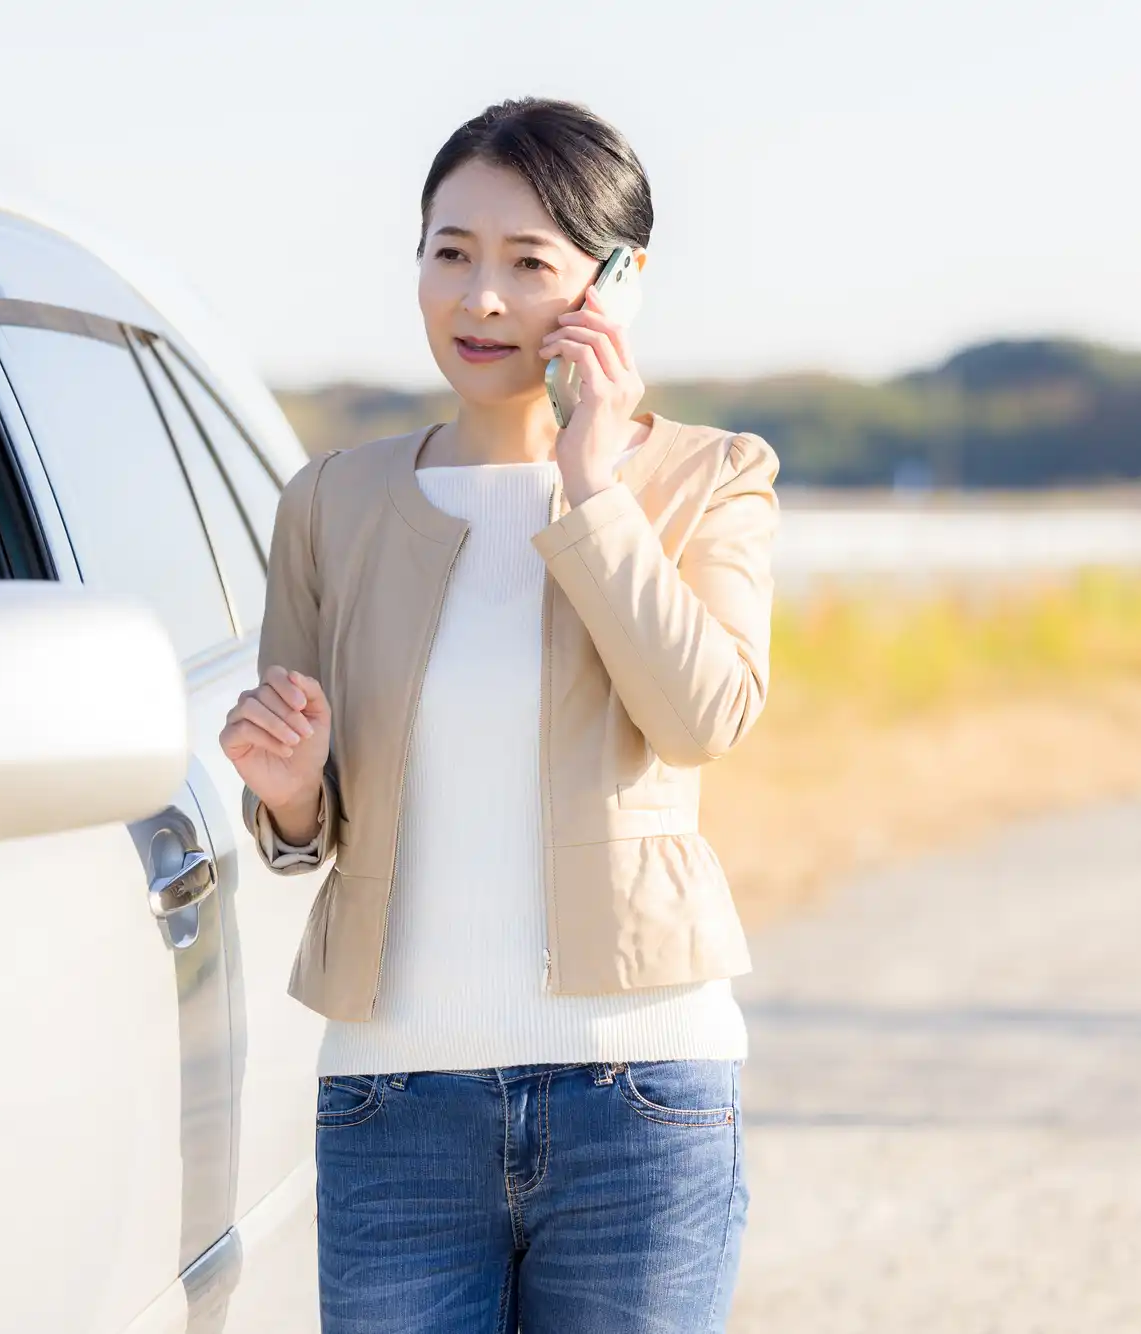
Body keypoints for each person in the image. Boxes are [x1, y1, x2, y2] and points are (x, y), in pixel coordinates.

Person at [218, 96, 780, 1333]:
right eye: (449, 252)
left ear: (616, 281)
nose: (478, 299)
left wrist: (589, 486)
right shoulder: (329, 502)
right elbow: (305, 832)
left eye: (529, 263)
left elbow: (701, 715)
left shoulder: (705, 476)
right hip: (394, 1105)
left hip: (639, 1100)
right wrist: (294, 788)